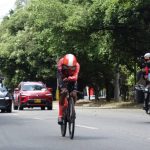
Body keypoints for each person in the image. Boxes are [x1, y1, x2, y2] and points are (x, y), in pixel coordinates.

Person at [57, 54, 80, 124]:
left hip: (72, 78)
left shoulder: (77, 65)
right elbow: (60, 76)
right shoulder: (60, 64)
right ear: (63, 65)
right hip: (62, 77)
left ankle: (72, 108)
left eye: (72, 68)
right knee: (63, 92)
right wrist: (63, 85)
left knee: (74, 93)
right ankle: (60, 115)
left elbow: (75, 77)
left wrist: (70, 78)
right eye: (66, 67)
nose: (69, 69)